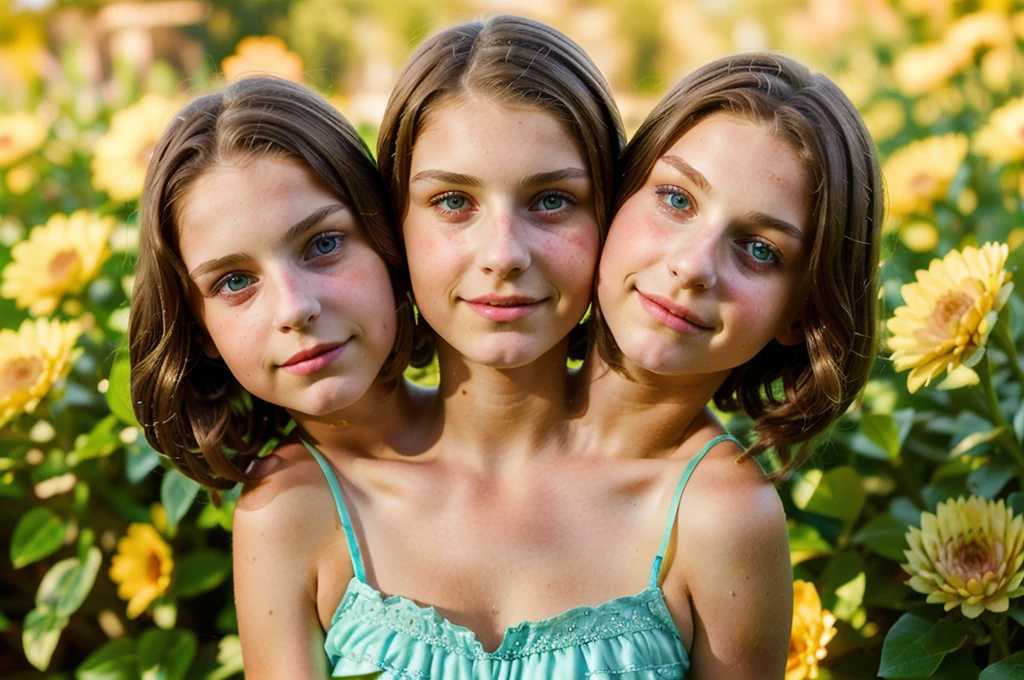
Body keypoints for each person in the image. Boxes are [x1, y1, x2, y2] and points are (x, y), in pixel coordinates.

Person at [573, 53, 884, 677]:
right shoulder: (401, 437)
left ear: (801, 314)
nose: (694, 266)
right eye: (676, 199)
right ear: (618, 194)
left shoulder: (726, 519)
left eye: (761, 249)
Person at [128, 76, 435, 677]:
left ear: (386, 240)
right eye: (235, 282)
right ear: (199, 331)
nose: (295, 308)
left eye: (323, 244)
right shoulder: (283, 515)